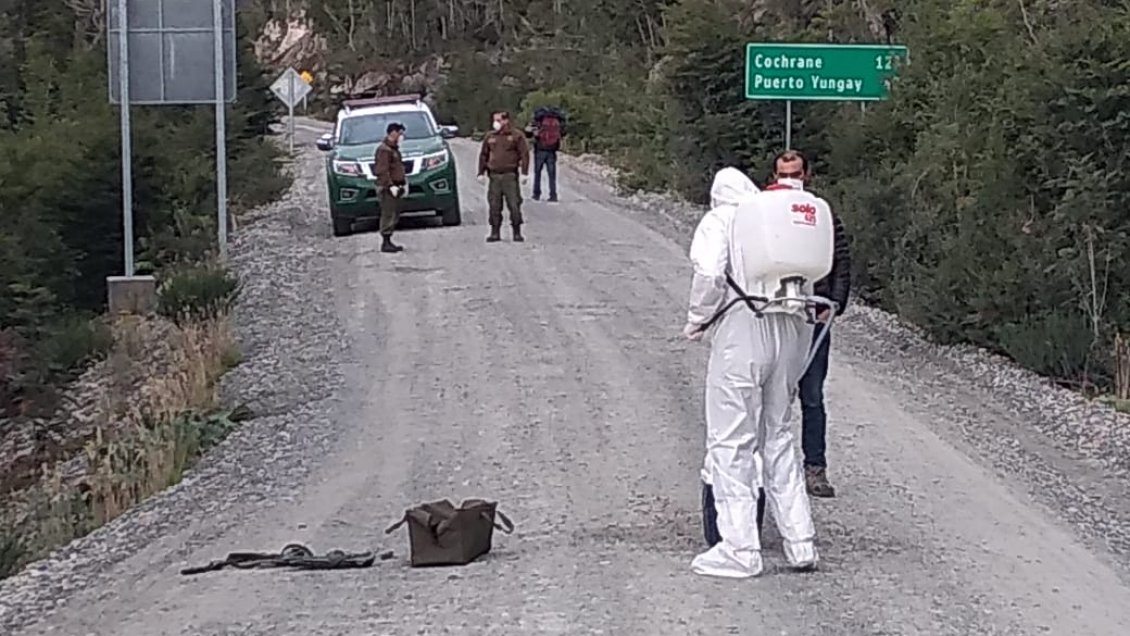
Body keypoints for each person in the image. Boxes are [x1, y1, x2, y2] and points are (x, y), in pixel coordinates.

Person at [683, 162, 830, 578]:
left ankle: (739, 547)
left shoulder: (722, 219)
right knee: (780, 435)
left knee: (731, 438)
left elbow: (710, 273)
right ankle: (801, 543)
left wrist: (697, 317)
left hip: (744, 327)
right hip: (791, 326)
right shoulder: (777, 221)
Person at [770, 151, 851, 498]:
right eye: (785, 173)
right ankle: (769, 467)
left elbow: (841, 257)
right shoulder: (767, 212)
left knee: (812, 396)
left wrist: (835, 302)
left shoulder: (821, 213)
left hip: (814, 316)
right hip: (776, 317)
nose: (792, 178)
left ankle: (814, 469)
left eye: (797, 172)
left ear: (808, 173)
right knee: (772, 394)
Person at [477, 111, 530, 242]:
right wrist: (480, 172)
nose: (496, 123)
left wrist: (524, 173)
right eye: (495, 120)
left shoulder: (516, 136)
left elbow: (524, 154)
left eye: (498, 120)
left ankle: (517, 232)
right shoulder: (490, 136)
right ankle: (495, 232)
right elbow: (483, 155)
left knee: (514, 205)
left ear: (506, 121)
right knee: (494, 205)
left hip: (510, 175)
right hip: (494, 176)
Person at [374, 122, 408, 253]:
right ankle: (386, 242)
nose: (401, 136)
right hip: (388, 188)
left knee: (394, 213)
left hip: (396, 186)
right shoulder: (384, 150)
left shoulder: (394, 150)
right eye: (400, 133)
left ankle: (389, 240)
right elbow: (382, 170)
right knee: (388, 214)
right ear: (393, 133)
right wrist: (390, 185)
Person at [526, 106, 566, 202]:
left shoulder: (538, 121)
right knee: (552, 174)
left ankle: (536, 194)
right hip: (552, 150)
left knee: (538, 173)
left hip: (540, 149)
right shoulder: (557, 121)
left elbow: (528, 133)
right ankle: (553, 195)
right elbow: (563, 132)